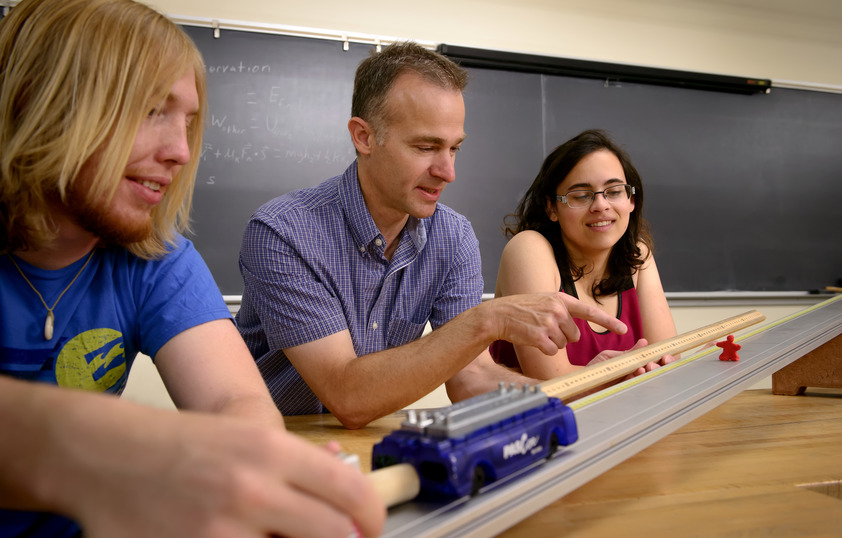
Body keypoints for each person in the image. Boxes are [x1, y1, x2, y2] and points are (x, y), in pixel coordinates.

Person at [0, 1, 383, 537]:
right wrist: (128, 452)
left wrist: (246, 462)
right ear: (44, 101)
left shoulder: (153, 255)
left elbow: (236, 399)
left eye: (189, 122)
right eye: (152, 109)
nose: (181, 151)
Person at [236, 42, 628, 429]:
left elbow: (472, 378)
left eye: (454, 148)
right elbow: (348, 397)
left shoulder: (452, 238)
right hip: (266, 448)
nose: (448, 171)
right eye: (426, 147)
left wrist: (582, 386)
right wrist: (484, 321)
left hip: (368, 447)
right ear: (364, 137)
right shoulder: (283, 232)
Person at [491, 129, 677, 380]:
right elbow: (550, 377)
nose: (601, 205)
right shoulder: (529, 249)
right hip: (537, 418)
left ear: (631, 200)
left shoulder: (638, 254)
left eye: (614, 192)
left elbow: (667, 359)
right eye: (580, 195)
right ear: (551, 207)